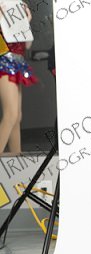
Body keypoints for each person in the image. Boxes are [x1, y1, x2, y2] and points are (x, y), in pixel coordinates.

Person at [0, 0, 38, 155]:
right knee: (11, 114)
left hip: (17, 61)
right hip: (3, 61)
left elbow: (27, 45)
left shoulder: (17, 6)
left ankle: (16, 156)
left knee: (16, 116)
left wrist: (25, 22)